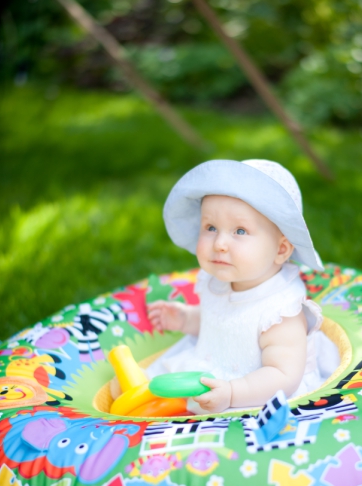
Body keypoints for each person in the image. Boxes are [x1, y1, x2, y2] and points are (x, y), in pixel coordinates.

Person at [112, 159, 338, 414]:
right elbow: (225, 325)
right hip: (213, 367)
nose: (219, 242)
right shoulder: (220, 281)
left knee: (209, 412)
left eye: (240, 231)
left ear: (281, 249)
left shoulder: (281, 311)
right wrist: (186, 318)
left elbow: (283, 375)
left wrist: (232, 393)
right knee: (159, 388)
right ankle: (148, 397)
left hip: (254, 390)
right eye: (210, 227)